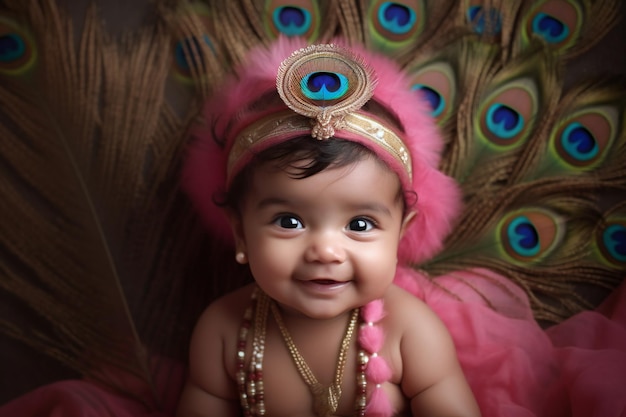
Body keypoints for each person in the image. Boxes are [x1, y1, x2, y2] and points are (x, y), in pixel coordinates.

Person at [176, 38, 481, 417]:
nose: (325, 251)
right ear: (240, 233)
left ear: (400, 235)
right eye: (289, 222)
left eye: (359, 224)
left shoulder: (411, 333)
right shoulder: (222, 332)